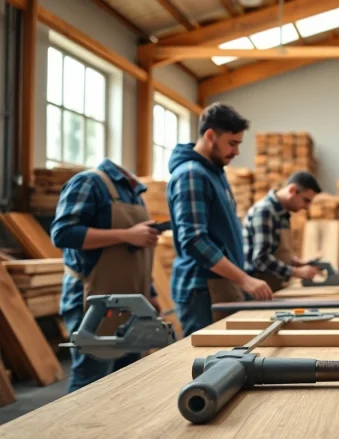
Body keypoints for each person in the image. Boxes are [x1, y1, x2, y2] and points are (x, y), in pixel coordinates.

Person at [51, 158, 162, 393]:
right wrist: (126, 235)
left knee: (129, 381)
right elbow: (62, 234)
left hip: (132, 303)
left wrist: (150, 294)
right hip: (94, 301)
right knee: (91, 383)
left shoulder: (135, 194)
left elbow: (135, 253)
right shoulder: (89, 183)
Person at [166, 102, 272, 337]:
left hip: (220, 283)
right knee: (207, 367)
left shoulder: (214, 173)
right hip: (203, 290)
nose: (236, 152)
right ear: (210, 135)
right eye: (232, 143)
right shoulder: (192, 174)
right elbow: (194, 241)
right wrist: (244, 279)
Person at [242, 171, 323, 292]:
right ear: (292, 190)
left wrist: (298, 263)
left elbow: (277, 252)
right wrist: (296, 272)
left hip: (275, 286)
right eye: (306, 200)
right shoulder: (265, 211)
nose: (307, 207)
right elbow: (261, 259)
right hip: (259, 289)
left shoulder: (283, 214)